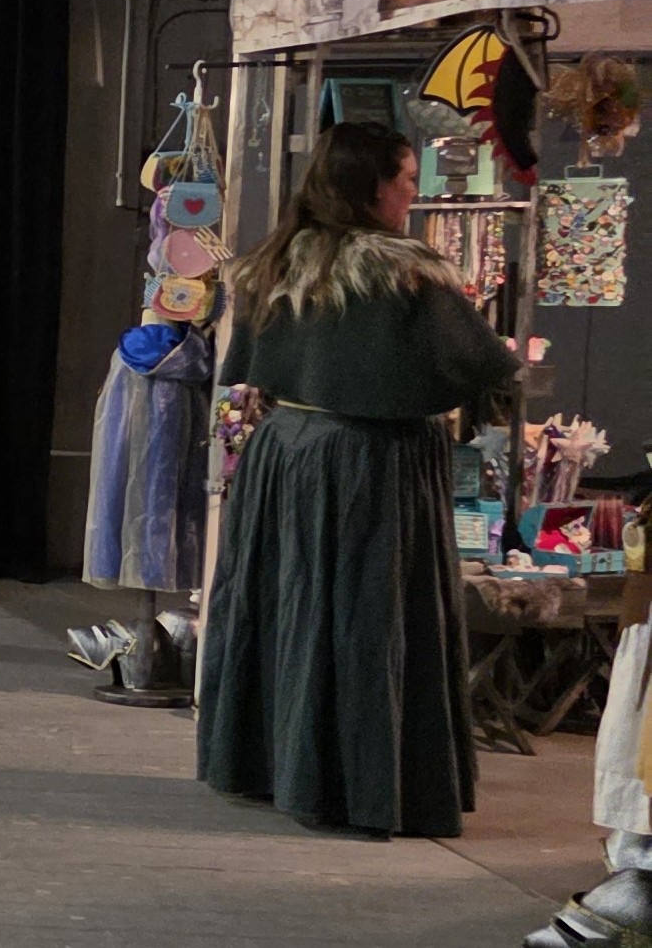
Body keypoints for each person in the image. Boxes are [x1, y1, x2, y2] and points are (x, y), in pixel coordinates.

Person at [196, 122, 519, 840]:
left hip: (285, 455)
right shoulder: (406, 272)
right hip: (372, 461)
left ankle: (273, 767)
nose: (412, 194)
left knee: (288, 608)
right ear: (372, 187)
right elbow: (486, 365)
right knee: (368, 618)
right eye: (405, 180)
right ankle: (360, 786)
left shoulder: (274, 262)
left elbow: (249, 366)